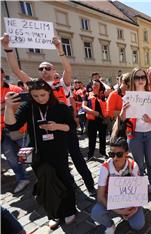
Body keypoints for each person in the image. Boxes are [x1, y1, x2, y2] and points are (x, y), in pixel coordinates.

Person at [1, 33, 96, 196]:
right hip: (46, 131)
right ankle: (69, 186)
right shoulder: (36, 85)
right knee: (60, 162)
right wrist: (7, 47)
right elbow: (16, 70)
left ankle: (90, 185)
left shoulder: (61, 83)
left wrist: (60, 48)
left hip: (65, 127)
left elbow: (68, 69)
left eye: (48, 68)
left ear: (54, 71)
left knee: (77, 158)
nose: (44, 71)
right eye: (41, 69)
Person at [5, 79, 77, 229]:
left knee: (64, 180)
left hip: (58, 152)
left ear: (49, 92)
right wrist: (8, 107)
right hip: (38, 154)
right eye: (35, 96)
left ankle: (69, 209)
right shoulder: (28, 107)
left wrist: (55, 126)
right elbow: (12, 125)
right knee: (45, 185)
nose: (40, 98)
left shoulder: (60, 107)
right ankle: (53, 214)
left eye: (43, 95)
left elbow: (71, 127)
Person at [119, 67, 151, 199]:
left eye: (142, 77)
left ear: (146, 79)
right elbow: (122, 119)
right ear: (133, 79)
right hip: (134, 135)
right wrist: (123, 111)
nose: (140, 80)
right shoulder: (128, 96)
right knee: (139, 164)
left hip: (150, 134)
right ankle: (142, 185)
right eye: (137, 77)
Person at [91, 137, 144, 234]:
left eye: (119, 154)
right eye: (111, 154)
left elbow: (140, 192)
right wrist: (118, 211)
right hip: (111, 202)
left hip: (130, 202)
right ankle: (110, 226)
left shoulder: (133, 165)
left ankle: (129, 216)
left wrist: (135, 208)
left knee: (138, 225)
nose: (115, 158)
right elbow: (100, 197)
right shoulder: (105, 167)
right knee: (95, 212)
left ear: (126, 153)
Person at [0, 68, 30, 193]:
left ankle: (42, 176)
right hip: (2, 132)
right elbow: (9, 108)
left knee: (27, 155)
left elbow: (20, 109)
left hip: (18, 130)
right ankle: (22, 179)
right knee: (11, 157)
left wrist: (6, 107)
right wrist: (6, 106)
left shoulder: (15, 90)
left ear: (2, 74)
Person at [82, 80, 108, 159]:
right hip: (92, 120)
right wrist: (93, 112)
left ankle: (103, 152)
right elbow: (83, 106)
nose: (95, 86)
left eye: (97, 85)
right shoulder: (87, 95)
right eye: (94, 85)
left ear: (100, 86)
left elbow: (110, 89)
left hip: (102, 119)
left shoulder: (103, 95)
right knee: (92, 138)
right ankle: (90, 155)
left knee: (102, 137)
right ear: (91, 86)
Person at [108, 73, 131, 141]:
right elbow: (110, 112)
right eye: (122, 83)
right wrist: (125, 112)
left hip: (131, 128)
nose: (122, 86)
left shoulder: (134, 95)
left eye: (127, 85)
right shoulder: (113, 94)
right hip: (119, 126)